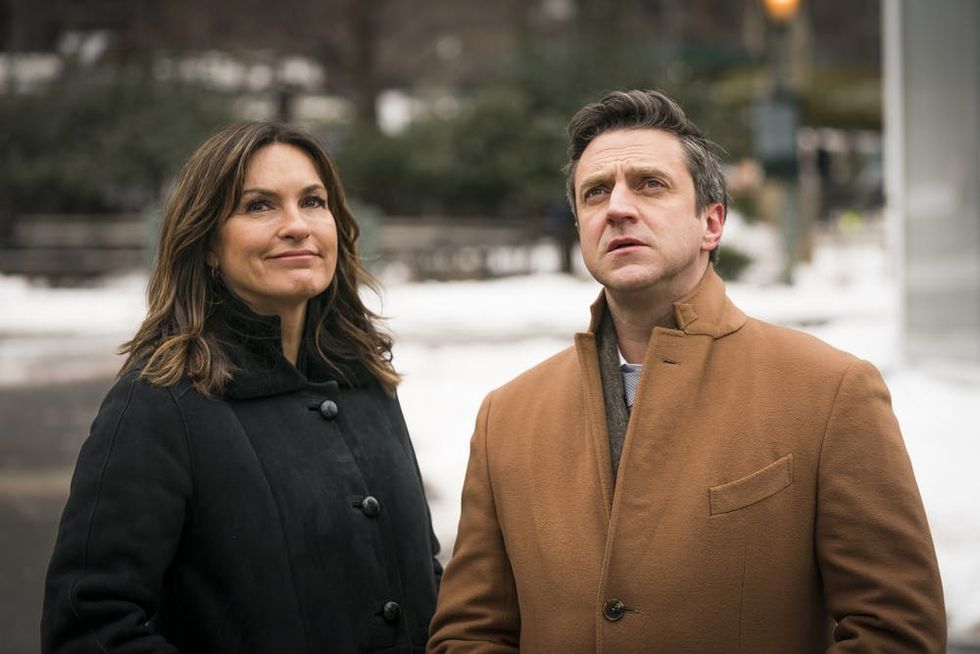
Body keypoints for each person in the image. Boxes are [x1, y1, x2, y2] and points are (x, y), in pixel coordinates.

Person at [428, 90, 946, 652]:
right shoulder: (507, 416)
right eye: (595, 192)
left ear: (711, 223)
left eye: (649, 184)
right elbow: (470, 632)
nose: (617, 208)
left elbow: (897, 631)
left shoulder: (829, 391)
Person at [42, 121, 441, 653]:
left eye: (313, 202)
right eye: (259, 206)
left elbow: (421, 575)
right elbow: (90, 628)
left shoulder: (365, 380)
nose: (296, 226)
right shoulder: (159, 404)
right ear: (207, 242)